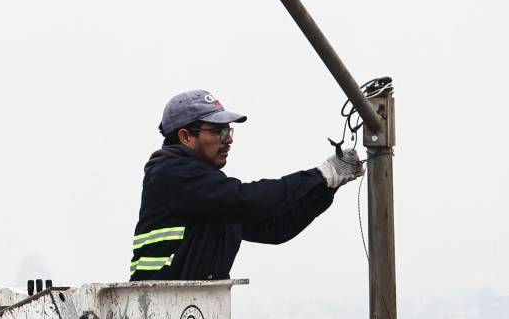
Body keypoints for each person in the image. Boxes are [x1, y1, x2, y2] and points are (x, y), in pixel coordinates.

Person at [129, 89, 363, 281]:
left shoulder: (207, 196)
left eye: (228, 130)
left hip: (190, 311)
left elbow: (275, 227)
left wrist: (327, 185)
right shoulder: (171, 173)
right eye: (218, 131)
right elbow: (246, 199)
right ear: (185, 137)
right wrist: (321, 174)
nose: (228, 139)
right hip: (158, 308)